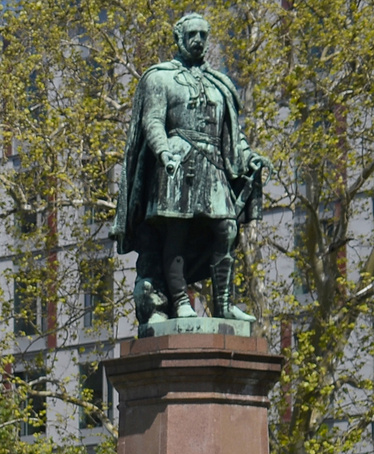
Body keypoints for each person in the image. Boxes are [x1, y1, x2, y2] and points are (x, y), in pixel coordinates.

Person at [112, 12, 268, 326]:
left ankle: (223, 304)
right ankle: (181, 302)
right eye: (191, 34)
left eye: (202, 35)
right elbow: (152, 122)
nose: (197, 41)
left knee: (226, 229)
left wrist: (249, 156)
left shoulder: (218, 83)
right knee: (176, 234)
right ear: (178, 37)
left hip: (212, 164)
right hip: (177, 162)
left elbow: (233, 133)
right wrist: (164, 152)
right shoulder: (159, 77)